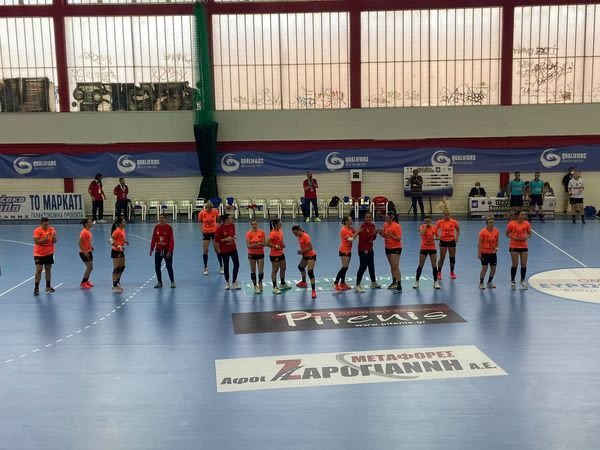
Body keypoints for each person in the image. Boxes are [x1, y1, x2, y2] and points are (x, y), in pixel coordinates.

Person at [354, 211, 381, 293]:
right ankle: (357, 285)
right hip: (363, 250)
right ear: (364, 218)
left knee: (371, 266)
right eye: (367, 217)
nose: (368, 219)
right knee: (363, 267)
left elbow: (373, 238)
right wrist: (373, 234)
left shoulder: (372, 225)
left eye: (369, 217)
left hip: (370, 249)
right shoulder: (362, 227)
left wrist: (375, 234)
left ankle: (373, 282)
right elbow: (364, 238)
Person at [506, 211, 531, 290]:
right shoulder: (511, 224)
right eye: (522, 214)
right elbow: (507, 234)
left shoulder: (526, 223)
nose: (523, 216)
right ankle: (513, 281)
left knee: (524, 265)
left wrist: (526, 237)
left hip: (524, 246)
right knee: (515, 264)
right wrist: (513, 238)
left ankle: (522, 281)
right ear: (518, 216)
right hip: (514, 246)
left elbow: (529, 233)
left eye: (524, 214)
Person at [414, 215, 440, 289]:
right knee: (420, 265)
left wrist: (435, 238)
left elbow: (438, 237)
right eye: (425, 221)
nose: (427, 222)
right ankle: (416, 282)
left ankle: (435, 282)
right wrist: (426, 226)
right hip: (424, 248)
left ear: (431, 221)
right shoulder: (422, 227)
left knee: (434, 266)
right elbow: (421, 233)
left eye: (428, 221)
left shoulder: (434, 227)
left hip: (432, 248)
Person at [215, 214, 240, 290]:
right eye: (230, 218)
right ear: (226, 220)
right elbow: (217, 240)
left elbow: (233, 234)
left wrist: (234, 236)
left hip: (233, 248)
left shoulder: (232, 225)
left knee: (237, 264)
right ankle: (227, 282)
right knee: (226, 265)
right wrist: (226, 240)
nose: (231, 219)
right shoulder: (219, 228)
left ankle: (234, 281)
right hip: (224, 250)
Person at [150, 213, 175, 288]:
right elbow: (154, 238)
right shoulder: (156, 227)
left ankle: (172, 281)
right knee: (157, 267)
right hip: (158, 250)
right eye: (160, 218)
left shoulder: (169, 228)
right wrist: (151, 249)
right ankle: (159, 282)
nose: (161, 219)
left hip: (167, 250)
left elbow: (171, 240)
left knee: (169, 266)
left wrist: (170, 251)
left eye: (163, 218)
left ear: (165, 219)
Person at [266, 218, 291, 294]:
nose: (281, 224)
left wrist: (282, 245)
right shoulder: (272, 233)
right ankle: (274, 287)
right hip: (274, 255)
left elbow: (280, 241)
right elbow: (266, 243)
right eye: (280, 223)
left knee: (283, 268)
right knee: (275, 270)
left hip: (281, 253)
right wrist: (275, 246)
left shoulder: (280, 231)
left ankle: (282, 284)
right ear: (276, 225)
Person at [292, 225, 317, 299]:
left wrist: (302, 251)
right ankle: (304, 282)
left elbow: (310, 248)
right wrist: (302, 252)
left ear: (298, 230)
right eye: (293, 233)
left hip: (311, 256)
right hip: (305, 256)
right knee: (301, 267)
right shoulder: (299, 236)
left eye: (295, 233)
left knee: (310, 272)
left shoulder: (305, 236)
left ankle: (313, 291)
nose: (295, 235)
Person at [33, 217, 57, 296]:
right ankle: (36, 288)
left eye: (48, 224)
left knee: (48, 269)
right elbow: (37, 242)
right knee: (39, 270)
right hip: (39, 253)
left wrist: (53, 238)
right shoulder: (37, 231)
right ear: (41, 224)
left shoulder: (52, 229)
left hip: (49, 253)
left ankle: (48, 286)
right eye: (45, 224)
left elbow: (55, 241)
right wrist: (45, 239)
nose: (47, 226)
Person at [379, 211, 402, 293]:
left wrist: (391, 235)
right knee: (392, 266)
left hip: (395, 248)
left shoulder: (396, 226)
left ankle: (399, 286)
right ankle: (394, 282)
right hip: (388, 247)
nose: (385, 218)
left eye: (387, 217)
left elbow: (399, 238)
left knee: (395, 267)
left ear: (391, 217)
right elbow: (384, 235)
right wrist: (381, 233)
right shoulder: (385, 224)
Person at [198, 201, 223, 275]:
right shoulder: (202, 213)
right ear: (206, 208)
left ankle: (221, 266)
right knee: (205, 250)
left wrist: (217, 227)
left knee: (217, 249)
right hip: (206, 233)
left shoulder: (215, 212)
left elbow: (220, 221)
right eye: (208, 208)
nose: (209, 209)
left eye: (211, 208)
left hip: (214, 232)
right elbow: (199, 222)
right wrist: (201, 230)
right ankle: (205, 267)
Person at [436, 209, 460, 280]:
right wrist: (437, 236)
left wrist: (457, 238)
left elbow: (458, 230)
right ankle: (439, 272)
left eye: (448, 214)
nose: (447, 216)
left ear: (450, 214)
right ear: (443, 215)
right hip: (443, 241)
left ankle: (452, 272)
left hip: (451, 241)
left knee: (452, 258)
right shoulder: (439, 222)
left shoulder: (454, 222)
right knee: (442, 258)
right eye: (445, 215)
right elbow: (434, 230)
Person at [334, 216, 356, 291]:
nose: (352, 221)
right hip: (344, 251)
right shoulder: (344, 230)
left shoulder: (350, 228)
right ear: (346, 222)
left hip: (348, 250)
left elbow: (354, 234)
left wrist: (356, 232)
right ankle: (336, 283)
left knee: (346, 268)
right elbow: (350, 239)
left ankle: (342, 283)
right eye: (350, 220)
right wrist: (357, 233)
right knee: (344, 268)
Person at [477, 217, 499, 290]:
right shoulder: (483, 232)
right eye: (490, 222)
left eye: (493, 222)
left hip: (493, 253)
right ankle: (481, 283)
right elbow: (479, 243)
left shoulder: (496, 231)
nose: (492, 224)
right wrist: (479, 253)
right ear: (487, 223)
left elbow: (497, 240)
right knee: (484, 268)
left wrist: (497, 247)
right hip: (485, 253)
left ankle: (489, 282)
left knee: (493, 268)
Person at [246, 219, 266, 294]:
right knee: (253, 270)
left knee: (261, 270)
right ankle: (255, 286)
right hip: (252, 254)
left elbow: (264, 244)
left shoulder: (262, 232)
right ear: (251, 225)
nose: (254, 225)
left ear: (257, 225)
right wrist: (255, 245)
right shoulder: (248, 234)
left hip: (260, 253)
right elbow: (248, 246)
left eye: (255, 224)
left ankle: (260, 282)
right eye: (253, 224)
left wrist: (259, 244)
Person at [110, 217, 129, 293]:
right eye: (123, 221)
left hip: (121, 251)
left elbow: (120, 238)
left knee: (122, 267)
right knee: (116, 269)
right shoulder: (117, 231)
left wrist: (124, 241)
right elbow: (111, 240)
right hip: (116, 251)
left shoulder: (122, 229)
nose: (125, 222)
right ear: (120, 223)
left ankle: (117, 281)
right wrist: (118, 246)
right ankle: (114, 286)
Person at [78, 218, 95, 289]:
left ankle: (86, 281)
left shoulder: (88, 231)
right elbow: (79, 242)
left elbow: (87, 241)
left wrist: (91, 246)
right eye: (90, 222)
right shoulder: (84, 232)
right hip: (84, 252)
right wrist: (85, 251)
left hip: (89, 251)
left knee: (90, 268)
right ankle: (83, 282)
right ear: (86, 224)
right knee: (89, 267)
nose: (91, 223)